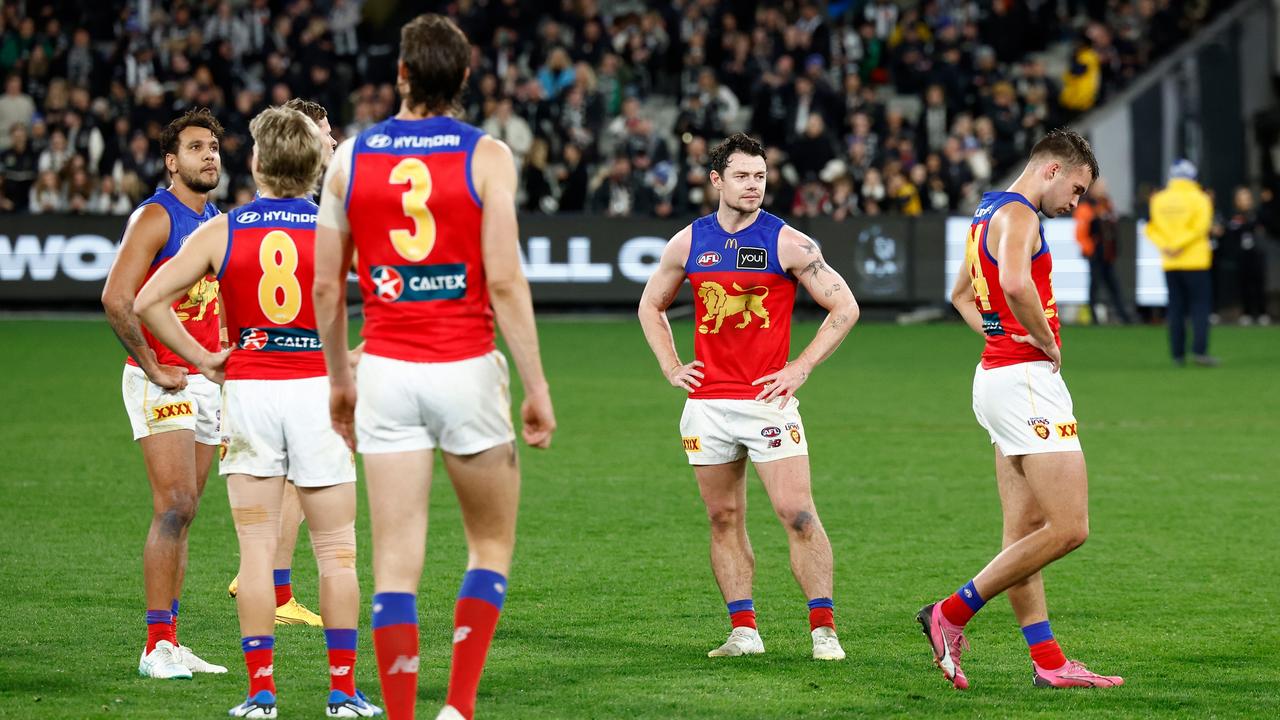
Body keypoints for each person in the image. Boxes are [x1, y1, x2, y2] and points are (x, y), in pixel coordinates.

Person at [312, 14, 556, 720]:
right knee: (489, 544)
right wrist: (536, 386)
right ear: (467, 79)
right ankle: (458, 706)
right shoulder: (489, 157)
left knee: (394, 563)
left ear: (402, 76)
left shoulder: (351, 159)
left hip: (386, 367)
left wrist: (339, 378)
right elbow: (506, 281)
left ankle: (399, 715)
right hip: (468, 368)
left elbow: (328, 287)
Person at [134, 105, 382, 720]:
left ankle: (262, 693)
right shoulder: (338, 226)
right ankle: (342, 692)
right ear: (315, 161)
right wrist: (353, 356)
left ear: (258, 162)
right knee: (337, 551)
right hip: (315, 392)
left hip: (249, 391)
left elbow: (147, 301)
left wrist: (205, 358)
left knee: (253, 552)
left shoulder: (225, 228)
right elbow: (394, 302)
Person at [637, 132, 860, 662]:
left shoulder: (789, 242)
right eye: (742, 176)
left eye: (760, 176)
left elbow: (845, 306)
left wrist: (801, 367)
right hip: (707, 408)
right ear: (717, 180)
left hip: (767, 403)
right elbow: (651, 305)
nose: (753, 185)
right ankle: (744, 631)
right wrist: (671, 366)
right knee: (722, 519)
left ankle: (824, 631)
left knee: (797, 513)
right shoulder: (688, 242)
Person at [922, 128, 1124, 691]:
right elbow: (1013, 283)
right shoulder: (1020, 216)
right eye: (1077, 190)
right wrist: (1044, 341)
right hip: (1026, 383)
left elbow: (961, 294)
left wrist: (999, 338)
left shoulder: (985, 213)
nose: (1075, 203)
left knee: (1024, 533)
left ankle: (1049, 662)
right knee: (1070, 527)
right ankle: (950, 613)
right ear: (1052, 170)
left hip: (995, 377)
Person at [100, 108, 229, 680]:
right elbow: (116, 297)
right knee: (173, 505)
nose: (210, 156)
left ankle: (171, 641)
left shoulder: (218, 219)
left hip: (205, 380)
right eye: (197, 147)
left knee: (189, 511)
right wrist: (152, 363)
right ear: (172, 162)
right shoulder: (156, 216)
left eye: (215, 148)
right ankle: (155, 646)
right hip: (165, 380)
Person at [223, 96, 340, 629]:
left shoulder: (235, 225)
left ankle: (260, 689)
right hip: (296, 375)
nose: (333, 143)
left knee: (282, 485)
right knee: (335, 537)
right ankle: (275, 584)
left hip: (252, 379)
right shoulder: (318, 223)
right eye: (324, 135)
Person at [1146, 160, 1217, 366]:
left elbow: (1151, 228)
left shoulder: (1159, 199)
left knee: (1175, 308)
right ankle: (1199, 351)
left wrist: (1167, 246)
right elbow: (1200, 227)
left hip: (1171, 261)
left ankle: (1177, 355)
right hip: (1196, 261)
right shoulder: (1201, 198)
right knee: (1200, 307)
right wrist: (1179, 244)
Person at [1073, 177, 1133, 324]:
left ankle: (1124, 317)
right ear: (1092, 189)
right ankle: (1094, 317)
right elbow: (1080, 234)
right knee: (1095, 286)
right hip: (1095, 254)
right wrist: (1091, 250)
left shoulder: (1106, 204)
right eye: (1100, 187)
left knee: (1113, 285)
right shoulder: (1085, 207)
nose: (1104, 189)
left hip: (1107, 254)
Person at [1223, 186, 1271, 325]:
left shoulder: (1257, 213)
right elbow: (1233, 230)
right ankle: (1247, 312)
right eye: (1242, 198)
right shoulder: (1234, 215)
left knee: (1259, 282)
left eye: (1247, 198)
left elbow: (1263, 225)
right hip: (1241, 254)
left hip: (1256, 253)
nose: (1245, 201)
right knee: (1244, 283)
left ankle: (1262, 312)